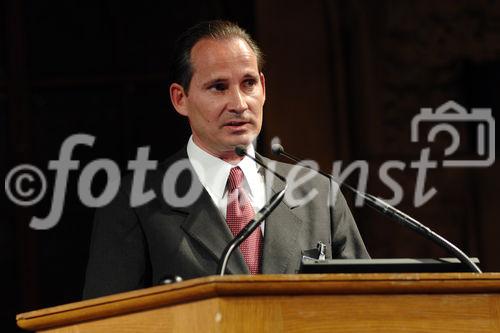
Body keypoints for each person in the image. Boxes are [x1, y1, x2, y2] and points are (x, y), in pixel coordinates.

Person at [83, 20, 369, 299]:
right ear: (180, 98)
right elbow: (107, 321)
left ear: (264, 88)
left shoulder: (318, 194)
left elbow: (368, 306)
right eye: (219, 87)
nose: (239, 104)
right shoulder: (134, 202)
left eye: (248, 83)